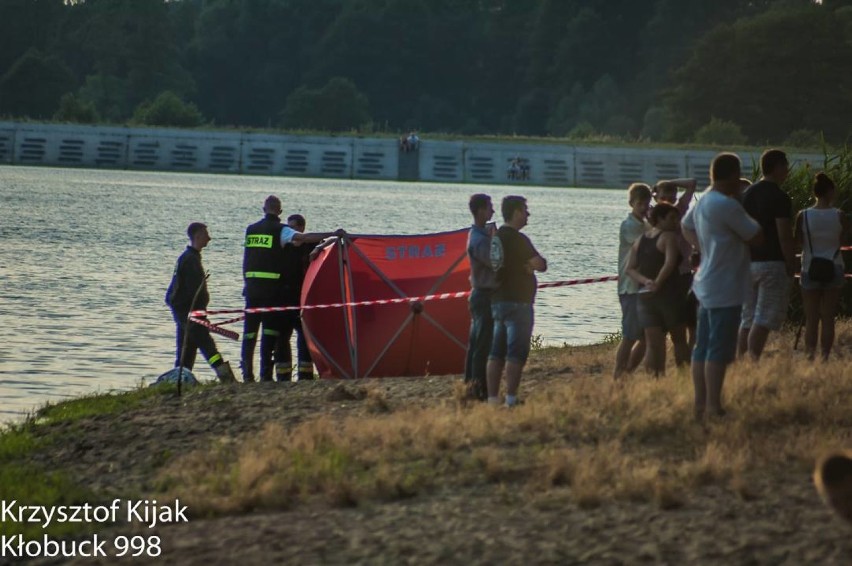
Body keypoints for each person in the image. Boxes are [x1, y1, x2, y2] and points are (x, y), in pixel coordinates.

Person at [682, 153, 763, 420]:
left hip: (705, 282)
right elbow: (756, 236)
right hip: (725, 285)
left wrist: (703, 248)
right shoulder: (727, 205)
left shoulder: (704, 199)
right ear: (731, 176)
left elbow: (686, 225)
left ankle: (700, 404)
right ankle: (715, 407)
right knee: (719, 348)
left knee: (702, 347)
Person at [241, 195, 344, 382]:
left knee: (249, 334)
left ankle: (248, 376)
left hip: (251, 291)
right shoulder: (281, 230)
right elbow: (303, 238)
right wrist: (334, 233)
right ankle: (265, 375)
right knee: (269, 335)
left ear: (264, 209)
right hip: (272, 294)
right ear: (279, 211)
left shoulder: (251, 230)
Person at [486, 196, 547, 407]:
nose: (528, 214)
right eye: (525, 210)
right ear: (516, 212)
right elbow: (541, 264)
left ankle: (492, 399)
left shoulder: (496, 237)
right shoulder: (519, 239)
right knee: (515, 352)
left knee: (496, 353)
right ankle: (511, 399)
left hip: (497, 301)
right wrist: (529, 266)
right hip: (518, 303)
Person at [737, 149, 795, 361]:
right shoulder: (780, 197)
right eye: (785, 166)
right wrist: (791, 261)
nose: (787, 171)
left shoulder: (747, 194)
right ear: (777, 167)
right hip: (772, 262)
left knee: (747, 317)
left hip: (748, 262)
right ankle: (753, 362)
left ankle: (740, 361)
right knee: (764, 317)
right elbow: (784, 234)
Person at [165, 222, 236, 383]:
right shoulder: (190, 260)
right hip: (190, 313)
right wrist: (198, 314)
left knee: (186, 350)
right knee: (208, 346)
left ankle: (179, 379)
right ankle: (226, 378)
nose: (209, 238)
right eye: (206, 235)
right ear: (197, 236)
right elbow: (192, 291)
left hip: (186, 313)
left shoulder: (190, 257)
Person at [626, 202, 688, 376]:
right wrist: (657, 283)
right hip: (669, 296)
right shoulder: (668, 237)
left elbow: (630, 269)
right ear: (659, 219)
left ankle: (656, 380)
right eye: (672, 218)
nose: (676, 222)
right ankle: (683, 376)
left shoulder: (641, 239)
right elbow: (669, 263)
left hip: (646, 298)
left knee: (654, 344)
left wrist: (646, 282)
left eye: (677, 218)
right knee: (679, 340)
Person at [794, 172, 848, 361]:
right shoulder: (839, 215)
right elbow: (843, 240)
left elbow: (799, 242)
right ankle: (824, 356)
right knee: (828, 316)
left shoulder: (803, 215)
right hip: (834, 267)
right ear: (830, 192)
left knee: (811, 318)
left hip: (810, 267)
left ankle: (809, 355)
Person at [652, 178, 698, 357]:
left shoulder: (680, 209)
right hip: (662, 275)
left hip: (683, 273)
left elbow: (692, 184)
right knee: (663, 325)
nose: (668, 201)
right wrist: (657, 188)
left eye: (671, 197)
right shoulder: (653, 215)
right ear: (656, 198)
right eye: (664, 198)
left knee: (688, 321)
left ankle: (688, 357)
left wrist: (667, 182)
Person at [614, 183, 651, 379]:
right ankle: (618, 375)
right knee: (629, 335)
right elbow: (647, 243)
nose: (644, 208)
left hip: (643, 285)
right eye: (640, 204)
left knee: (646, 336)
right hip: (629, 287)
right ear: (631, 204)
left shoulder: (646, 224)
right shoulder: (629, 226)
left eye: (647, 204)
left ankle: (627, 373)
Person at [275, 213, 317, 381]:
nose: (290, 232)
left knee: (304, 337)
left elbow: (328, 243)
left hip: (303, 299)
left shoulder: (311, 245)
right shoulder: (284, 246)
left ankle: (305, 375)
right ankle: (283, 376)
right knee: (282, 337)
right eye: (288, 228)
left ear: (301, 228)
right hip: (284, 298)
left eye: (293, 228)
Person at [464, 194, 498, 400]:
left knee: (476, 344)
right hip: (484, 296)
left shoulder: (478, 235)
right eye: (489, 208)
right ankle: (478, 390)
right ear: (480, 211)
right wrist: (495, 239)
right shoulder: (479, 240)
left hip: (480, 296)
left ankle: (470, 387)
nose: (492, 211)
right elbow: (495, 262)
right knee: (482, 346)